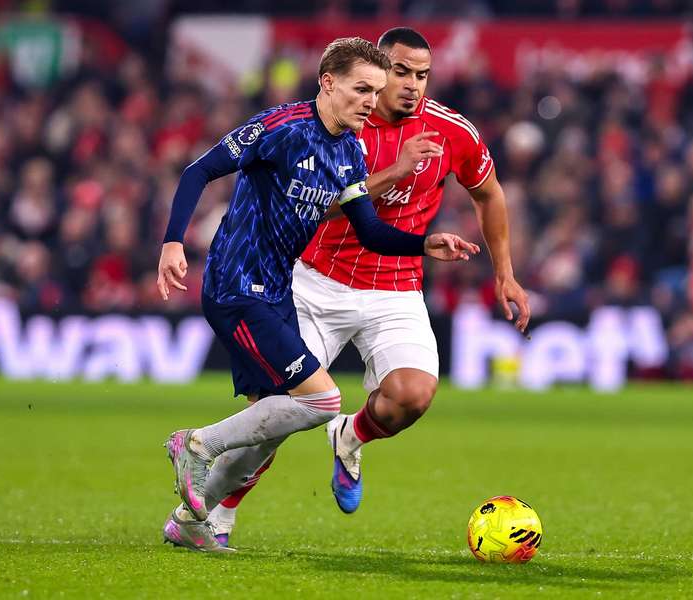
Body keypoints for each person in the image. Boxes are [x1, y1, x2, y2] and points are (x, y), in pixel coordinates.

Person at [204, 28, 530, 546]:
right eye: (400, 72)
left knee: (412, 396)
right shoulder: (336, 124)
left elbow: (489, 194)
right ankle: (215, 511)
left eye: (422, 75)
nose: (411, 85)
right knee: (276, 412)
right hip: (315, 283)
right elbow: (319, 202)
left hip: (395, 290)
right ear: (376, 71)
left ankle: (350, 437)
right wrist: (396, 171)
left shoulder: (451, 131)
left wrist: (505, 272)